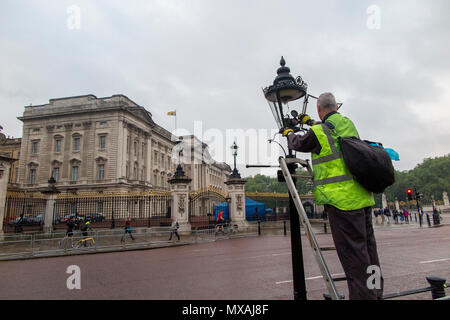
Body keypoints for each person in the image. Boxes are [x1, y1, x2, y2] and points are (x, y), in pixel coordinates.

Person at [281, 92, 383, 300]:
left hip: (341, 201)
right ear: (336, 107)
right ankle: (376, 292)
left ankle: (364, 298)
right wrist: (310, 122)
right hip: (363, 197)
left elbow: (299, 143)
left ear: (319, 108)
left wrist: (288, 132)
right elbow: (330, 131)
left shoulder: (319, 131)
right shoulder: (347, 123)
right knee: (369, 252)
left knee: (354, 258)